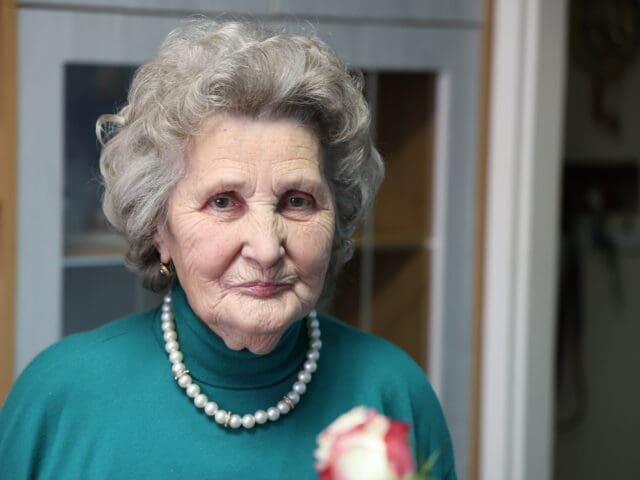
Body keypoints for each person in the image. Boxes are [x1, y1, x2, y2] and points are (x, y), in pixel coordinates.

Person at [0, 19, 456, 479]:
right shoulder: (59, 399)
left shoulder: (392, 394)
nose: (267, 248)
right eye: (223, 202)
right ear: (158, 227)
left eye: (297, 201)